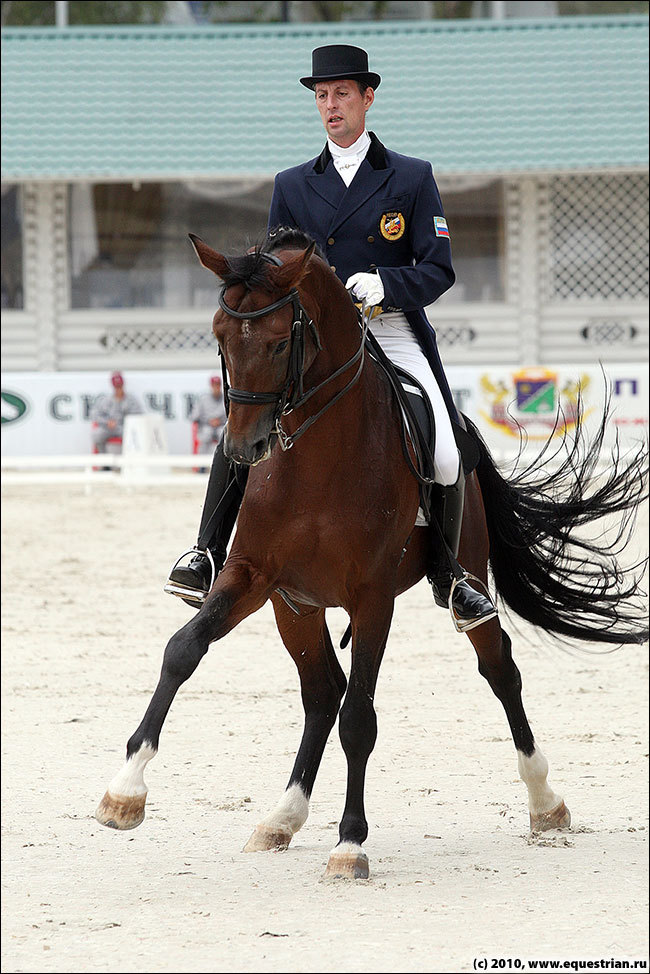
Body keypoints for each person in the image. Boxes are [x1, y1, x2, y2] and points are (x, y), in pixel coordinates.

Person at [166, 44, 496, 629]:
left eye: (341, 93)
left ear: (368, 97)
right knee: (246, 427)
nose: (330, 105)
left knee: (445, 446)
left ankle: (451, 574)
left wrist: (387, 284)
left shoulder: (411, 177)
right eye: (321, 96)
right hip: (315, 342)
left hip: (389, 328)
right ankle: (204, 551)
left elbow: (439, 268)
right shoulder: (292, 184)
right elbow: (272, 275)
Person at [90, 371, 144, 453]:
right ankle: (105, 461)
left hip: (125, 427)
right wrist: (107, 422)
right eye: (117, 387)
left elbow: (139, 414)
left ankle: (128, 459)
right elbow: (95, 414)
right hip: (109, 428)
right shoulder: (107, 400)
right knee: (97, 435)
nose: (118, 389)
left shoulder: (131, 400)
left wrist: (127, 422)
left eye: (120, 386)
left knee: (133, 436)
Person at [191, 375, 227, 454]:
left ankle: (223, 463)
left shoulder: (225, 399)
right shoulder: (203, 399)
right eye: (214, 385)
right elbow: (194, 416)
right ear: (211, 386)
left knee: (223, 435)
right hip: (206, 426)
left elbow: (229, 416)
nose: (216, 387)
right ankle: (202, 464)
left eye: (218, 385)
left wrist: (220, 421)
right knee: (206, 434)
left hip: (221, 426)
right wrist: (208, 421)